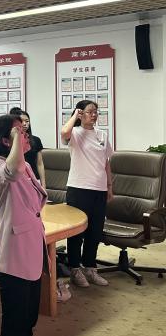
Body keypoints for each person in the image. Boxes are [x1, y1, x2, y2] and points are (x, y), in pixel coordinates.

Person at [0, 114, 48, 336]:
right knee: (15, 326)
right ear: (5, 140)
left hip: (32, 250)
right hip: (14, 257)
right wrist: (15, 138)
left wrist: (17, 140)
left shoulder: (25, 165)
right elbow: (11, 172)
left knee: (28, 322)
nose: (26, 135)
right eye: (20, 132)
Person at [61, 100, 112, 288]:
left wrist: (109, 186)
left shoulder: (102, 135)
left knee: (95, 232)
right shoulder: (75, 133)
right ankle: (75, 269)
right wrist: (75, 115)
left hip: (99, 188)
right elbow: (64, 132)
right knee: (76, 232)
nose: (94, 115)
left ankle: (90, 268)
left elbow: (106, 162)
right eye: (90, 111)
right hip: (79, 188)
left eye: (96, 111)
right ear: (81, 114)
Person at [18, 111, 46, 188]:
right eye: (21, 121)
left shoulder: (36, 140)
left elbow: (40, 163)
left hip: (34, 179)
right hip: (18, 180)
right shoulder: (10, 141)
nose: (24, 124)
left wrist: (43, 184)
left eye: (27, 121)